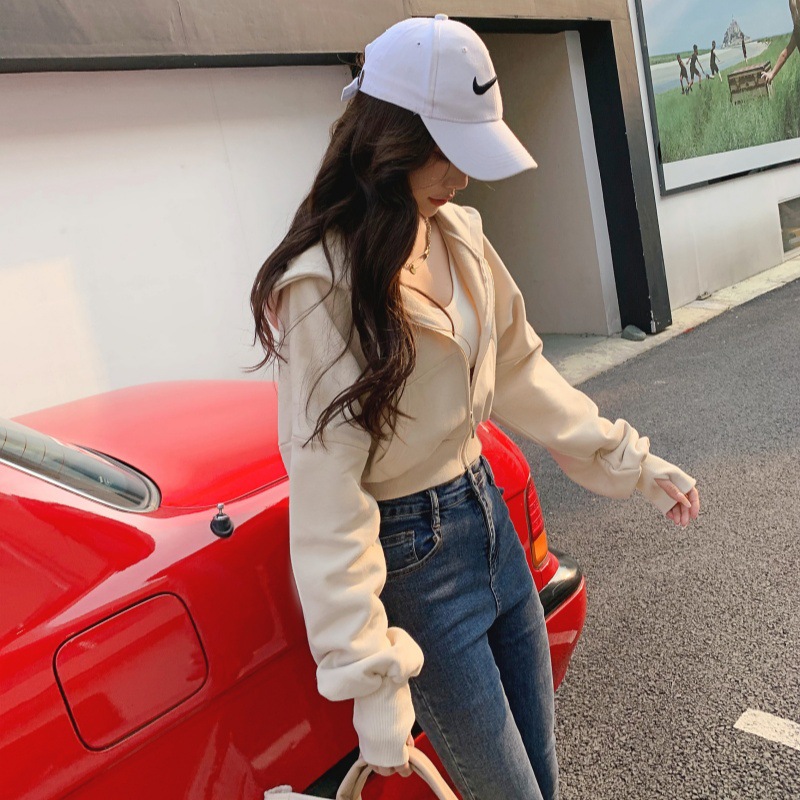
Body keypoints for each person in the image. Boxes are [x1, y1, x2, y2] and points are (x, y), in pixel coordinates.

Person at [250, 14, 700, 800]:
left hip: (488, 518)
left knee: (542, 778)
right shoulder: (322, 286)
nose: (462, 177)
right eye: (449, 150)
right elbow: (327, 493)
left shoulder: (458, 234)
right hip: (413, 561)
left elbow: (521, 370)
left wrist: (630, 460)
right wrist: (371, 679)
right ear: (391, 137)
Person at [763, 0, 800, 85]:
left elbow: (785, 54)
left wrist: (772, 74)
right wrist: (772, 73)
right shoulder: (797, 32)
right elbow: (785, 54)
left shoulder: (797, 32)